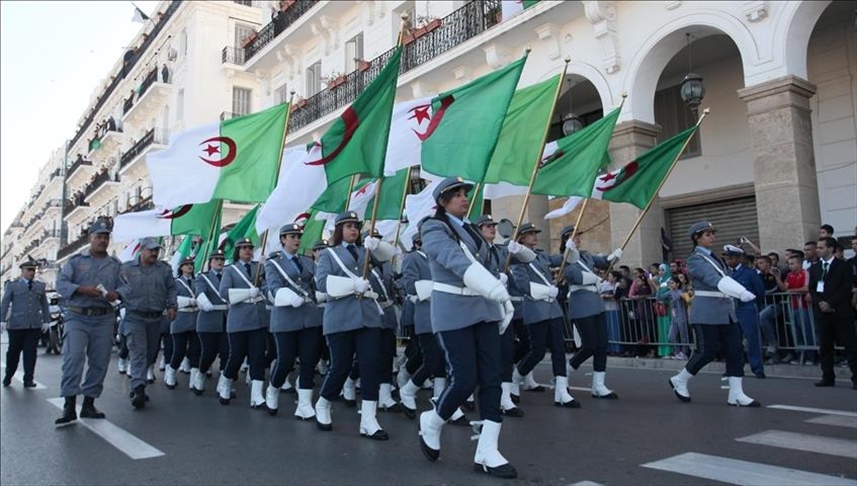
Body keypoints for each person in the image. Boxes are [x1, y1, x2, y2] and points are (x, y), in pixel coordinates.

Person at [418, 178, 517, 479]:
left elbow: (487, 266)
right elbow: (455, 261)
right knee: (463, 380)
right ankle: (433, 421)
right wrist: (495, 289)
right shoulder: (433, 228)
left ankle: (488, 450)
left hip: (484, 310)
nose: (463, 199)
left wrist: (499, 283)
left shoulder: (473, 230)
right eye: (456, 195)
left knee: (492, 379)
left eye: (464, 194)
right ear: (442, 202)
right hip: (454, 312)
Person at [313, 211, 396, 440]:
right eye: (348, 226)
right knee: (340, 367)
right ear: (339, 230)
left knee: (370, 366)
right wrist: (352, 284)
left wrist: (377, 245)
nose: (353, 230)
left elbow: (390, 256)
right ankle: (323, 403)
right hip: (340, 317)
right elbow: (321, 283)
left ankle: (368, 419)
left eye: (356, 226)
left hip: (368, 317)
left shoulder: (366, 250)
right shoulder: (329, 254)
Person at [668, 221, 760, 407]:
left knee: (735, 351)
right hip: (707, 311)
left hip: (726, 311)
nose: (713, 237)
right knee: (707, 351)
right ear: (697, 238)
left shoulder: (713, 257)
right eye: (708, 234)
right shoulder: (695, 259)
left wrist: (737, 291)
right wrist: (740, 292)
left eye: (712, 233)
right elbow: (713, 279)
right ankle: (680, 379)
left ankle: (736, 394)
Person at [54, 218, 122, 425]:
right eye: (99, 237)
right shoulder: (76, 261)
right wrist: (81, 289)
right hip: (78, 315)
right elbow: (61, 284)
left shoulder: (115, 265)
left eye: (105, 237)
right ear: (90, 238)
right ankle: (69, 404)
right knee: (73, 358)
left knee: (99, 361)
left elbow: (126, 287)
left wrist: (116, 293)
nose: (102, 240)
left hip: (103, 317)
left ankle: (89, 404)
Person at [511, 223, 578, 408]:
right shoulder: (517, 258)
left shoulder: (541, 255)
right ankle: (515, 378)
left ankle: (561, 391)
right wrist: (547, 291)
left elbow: (561, 260)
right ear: (521, 238)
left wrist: (569, 250)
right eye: (530, 234)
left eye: (535, 233)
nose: (534, 236)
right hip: (535, 308)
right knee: (537, 351)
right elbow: (522, 285)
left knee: (559, 349)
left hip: (552, 309)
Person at [475, 214, 535, 415]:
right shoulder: (475, 251)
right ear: (478, 229)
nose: (492, 228)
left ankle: (505, 398)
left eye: (493, 225)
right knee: (483, 354)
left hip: (503, 310)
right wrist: (494, 279)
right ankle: (469, 392)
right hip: (482, 309)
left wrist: (518, 248)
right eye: (487, 226)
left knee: (506, 352)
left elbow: (529, 258)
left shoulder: (501, 251)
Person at [264, 223, 322, 418]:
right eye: (292, 236)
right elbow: (272, 287)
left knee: (308, 361)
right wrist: (289, 297)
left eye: (298, 236)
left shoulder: (307, 261)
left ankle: (304, 404)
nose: (296, 239)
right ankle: (273, 389)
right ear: (283, 239)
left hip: (309, 316)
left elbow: (315, 285)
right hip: (286, 316)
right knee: (285, 360)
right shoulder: (273, 262)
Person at [562, 225, 623, 397]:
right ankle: (565, 372)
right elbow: (575, 276)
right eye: (574, 237)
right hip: (581, 305)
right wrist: (596, 279)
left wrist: (614, 257)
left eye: (579, 236)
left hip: (596, 304)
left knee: (602, 345)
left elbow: (602, 261)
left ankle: (598, 385)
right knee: (589, 345)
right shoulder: (566, 258)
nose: (578, 239)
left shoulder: (586, 255)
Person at [117, 237, 177, 409]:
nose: (154, 253)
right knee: (138, 352)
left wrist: (172, 305)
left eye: (156, 250)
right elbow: (118, 287)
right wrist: (120, 304)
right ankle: (138, 388)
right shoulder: (127, 269)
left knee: (151, 353)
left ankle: (138, 383)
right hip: (134, 317)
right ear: (141, 250)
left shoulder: (164, 269)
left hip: (156, 318)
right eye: (150, 250)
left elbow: (172, 288)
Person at [218, 238, 270, 409]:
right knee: (237, 356)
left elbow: (267, 287)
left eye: (250, 248)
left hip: (258, 319)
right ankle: (225, 385)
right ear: (238, 251)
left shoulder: (259, 268)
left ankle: (256, 396)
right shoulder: (230, 270)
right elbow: (224, 292)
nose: (248, 250)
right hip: (239, 319)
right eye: (244, 248)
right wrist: (248, 292)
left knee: (257, 357)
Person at [808, 237, 857, 389]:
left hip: (840, 311)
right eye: (818, 248)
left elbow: (846, 287)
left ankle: (856, 377)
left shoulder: (843, 266)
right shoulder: (815, 268)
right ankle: (827, 376)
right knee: (825, 347)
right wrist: (820, 303)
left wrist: (830, 303)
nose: (818, 250)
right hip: (823, 314)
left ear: (830, 249)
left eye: (821, 248)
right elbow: (812, 288)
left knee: (850, 346)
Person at [1, 257, 51, 388]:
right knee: (13, 353)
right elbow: (5, 303)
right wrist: (1, 320)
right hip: (16, 325)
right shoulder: (13, 286)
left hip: (33, 325)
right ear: (22, 271)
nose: (32, 272)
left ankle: (28, 379)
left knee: (30, 353)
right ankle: (8, 375)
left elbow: (44, 304)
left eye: (33, 270)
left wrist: (46, 320)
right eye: (29, 270)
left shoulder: (39, 286)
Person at [722, 245, 766, 378]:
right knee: (734, 342)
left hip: (747, 308)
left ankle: (757, 368)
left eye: (732, 258)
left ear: (739, 258)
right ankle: (735, 369)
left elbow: (760, 292)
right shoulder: (726, 274)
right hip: (732, 309)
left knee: (753, 339)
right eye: (727, 258)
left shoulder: (749, 272)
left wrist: (753, 305)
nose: (729, 260)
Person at [193, 250, 229, 395]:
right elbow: (199, 292)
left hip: (226, 318)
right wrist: (204, 301)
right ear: (210, 262)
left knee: (227, 352)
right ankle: (201, 375)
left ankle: (223, 383)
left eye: (221, 259)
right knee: (209, 353)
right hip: (208, 319)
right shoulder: (203, 277)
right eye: (216, 259)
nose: (219, 261)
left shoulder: (228, 275)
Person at [165, 256, 200, 390]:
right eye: (186, 264)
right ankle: (171, 373)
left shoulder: (198, 281)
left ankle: (194, 380)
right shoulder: (176, 282)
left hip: (196, 318)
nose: (189, 266)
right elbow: (171, 299)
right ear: (181, 267)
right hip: (181, 318)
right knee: (179, 350)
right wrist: (188, 300)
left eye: (191, 264)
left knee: (195, 350)